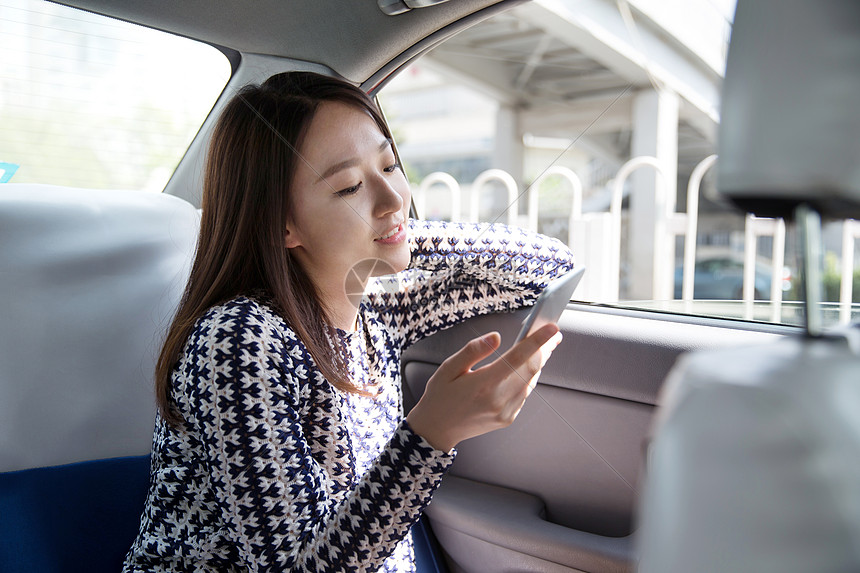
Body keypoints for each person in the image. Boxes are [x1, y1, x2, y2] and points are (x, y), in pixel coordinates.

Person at [123, 71, 574, 572]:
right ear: (281, 224)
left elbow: (548, 266)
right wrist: (432, 434)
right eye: (350, 187)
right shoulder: (237, 341)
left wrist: (394, 234)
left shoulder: (376, 308)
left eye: (390, 165)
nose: (393, 195)